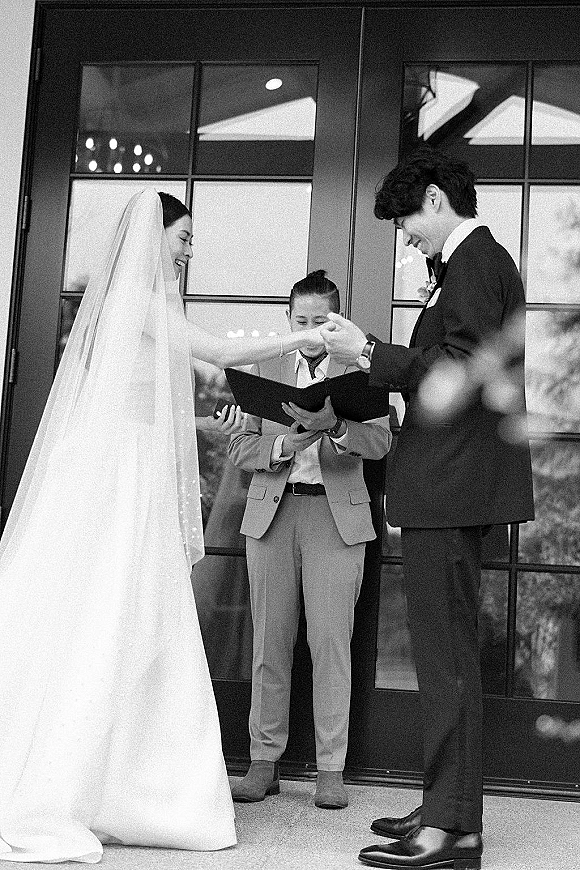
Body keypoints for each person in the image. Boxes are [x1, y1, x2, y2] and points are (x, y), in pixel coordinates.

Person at [0, 189, 328, 863]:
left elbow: (175, 382)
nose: (189, 248)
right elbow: (214, 349)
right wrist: (303, 334)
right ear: (156, 238)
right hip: (118, 478)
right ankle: (96, 785)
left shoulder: (143, 307)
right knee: (114, 614)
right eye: (183, 237)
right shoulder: (141, 301)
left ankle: (119, 782)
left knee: (133, 617)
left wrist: (220, 417)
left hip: (127, 467)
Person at [320, 147, 534, 868]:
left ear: (438, 200)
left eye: (409, 219)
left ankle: (452, 828)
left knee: (444, 664)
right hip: (451, 481)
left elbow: (457, 375)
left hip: (453, 484)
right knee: (447, 661)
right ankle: (451, 811)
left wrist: (370, 350)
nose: (407, 235)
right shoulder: (473, 266)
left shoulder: (476, 265)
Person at [227, 270, 391, 810]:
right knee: (270, 646)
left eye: (321, 322)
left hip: (335, 519)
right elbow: (241, 450)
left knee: (330, 647)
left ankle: (330, 769)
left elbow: (380, 440)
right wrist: (282, 444)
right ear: (288, 321)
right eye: (300, 321)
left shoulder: (360, 368)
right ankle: (262, 765)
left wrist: (335, 427)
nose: (311, 330)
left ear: (336, 320)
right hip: (272, 517)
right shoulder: (266, 369)